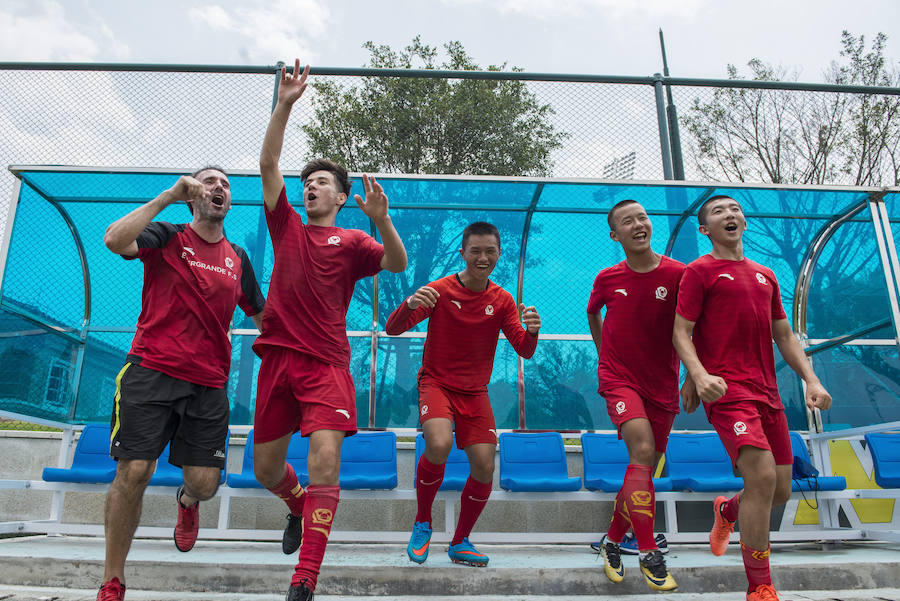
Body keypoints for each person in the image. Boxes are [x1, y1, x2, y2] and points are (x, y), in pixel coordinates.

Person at [251, 59, 408, 601]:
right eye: (307, 182)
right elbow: (268, 162)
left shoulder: (354, 243)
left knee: (324, 458)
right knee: (267, 467)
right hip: (276, 361)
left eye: (320, 182)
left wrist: (382, 219)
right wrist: (286, 104)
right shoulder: (286, 225)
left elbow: (397, 263)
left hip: (326, 365)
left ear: (341, 197)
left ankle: (305, 581)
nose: (310, 187)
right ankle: (296, 506)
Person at [97, 167, 265, 601]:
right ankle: (113, 580)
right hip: (151, 371)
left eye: (225, 185)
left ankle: (186, 503)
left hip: (208, 385)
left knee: (206, 485)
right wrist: (167, 196)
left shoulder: (238, 258)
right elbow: (115, 240)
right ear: (194, 195)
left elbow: (264, 318)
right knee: (134, 470)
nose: (219, 188)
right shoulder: (166, 234)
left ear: (229, 203)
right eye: (210, 181)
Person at [672, 195, 832, 601]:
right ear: (705, 229)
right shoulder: (698, 271)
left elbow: (784, 336)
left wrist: (811, 380)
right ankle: (760, 585)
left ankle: (727, 511)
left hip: (768, 395)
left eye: (735, 209)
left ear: (744, 221)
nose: (730, 214)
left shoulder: (765, 274)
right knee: (760, 479)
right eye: (718, 212)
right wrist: (698, 374)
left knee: (778, 490)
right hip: (728, 392)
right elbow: (681, 332)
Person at [385, 221, 541, 568]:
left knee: (485, 467)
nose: (482, 257)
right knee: (438, 444)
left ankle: (460, 541)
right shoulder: (439, 290)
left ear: (499, 254)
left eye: (490, 251)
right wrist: (410, 303)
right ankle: (422, 522)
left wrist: (532, 332)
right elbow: (393, 329)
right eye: (475, 251)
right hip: (437, 384)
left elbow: (524, 349)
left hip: (475, 393)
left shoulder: (501, 300)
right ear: (463, 253)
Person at [586, 199, 681, 592]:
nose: (639, 224)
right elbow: (593, 313)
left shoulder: (680, 274)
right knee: (641, 451)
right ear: (615, 235)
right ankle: (646, 552)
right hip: (619, 380)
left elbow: (694, 326)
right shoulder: (608, 278)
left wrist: (694, 374)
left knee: (644, 466)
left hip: (663, 384)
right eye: (628, 221)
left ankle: (611, 540)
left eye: (643, 217)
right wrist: (603, 354)